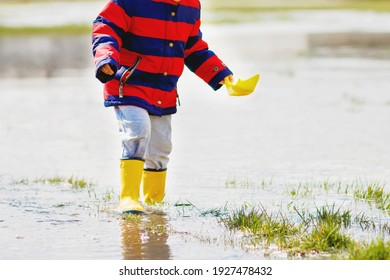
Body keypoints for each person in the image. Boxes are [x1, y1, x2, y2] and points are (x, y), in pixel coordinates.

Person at [92, 0, 233, 214]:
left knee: (161, 148)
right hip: (129, 83)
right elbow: (106, 28)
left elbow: (193, 48)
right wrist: (106, 57)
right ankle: (129, 198)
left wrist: (220, 74)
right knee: (137, 132)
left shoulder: (191, 6)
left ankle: (153, 204)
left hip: (163, 89)